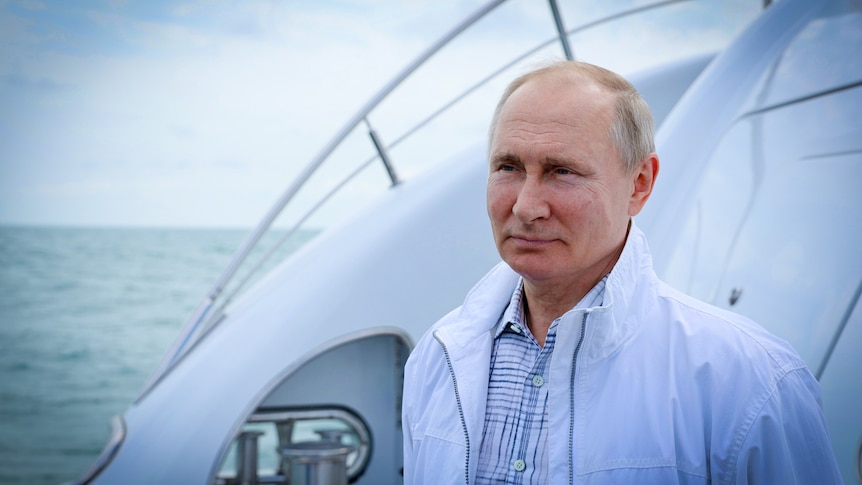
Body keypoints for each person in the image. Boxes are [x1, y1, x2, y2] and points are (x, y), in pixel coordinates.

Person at [401, 61, 841, 484]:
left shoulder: (751, 380)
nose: (525, 206)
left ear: (640, 184)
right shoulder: (437, 358)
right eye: (508, 167)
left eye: (562, 171)